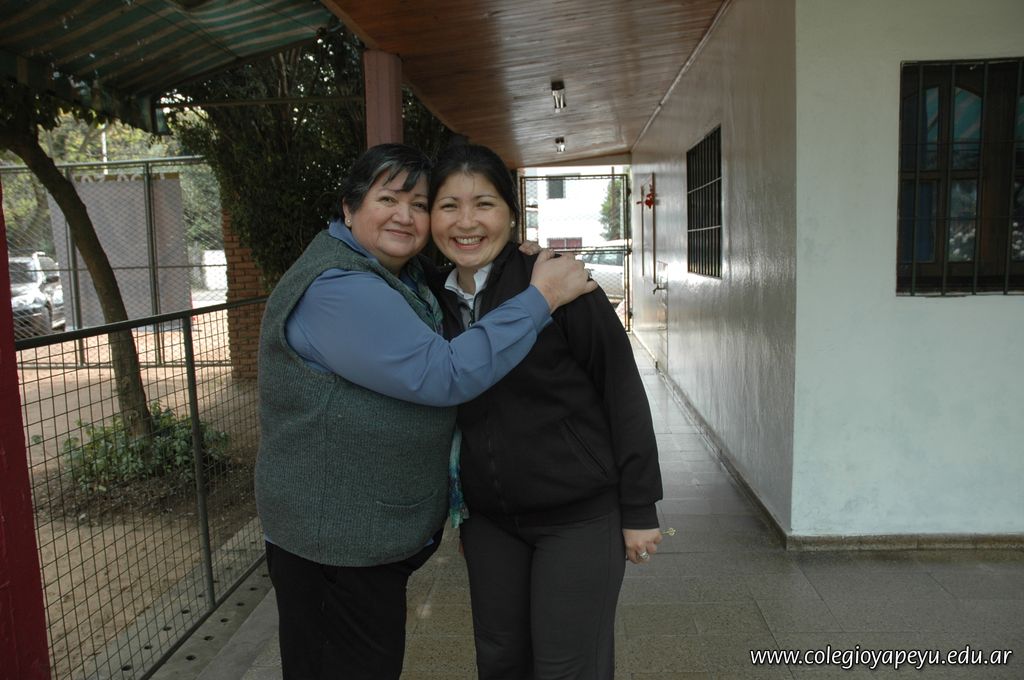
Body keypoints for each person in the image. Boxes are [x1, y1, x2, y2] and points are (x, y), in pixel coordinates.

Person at [254, 143, 595, 680]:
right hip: (331, 548)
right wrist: (541, 296)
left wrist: (513, 258)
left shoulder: (404, 276)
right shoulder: (338, 289)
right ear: (349, 208)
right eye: (387, 199)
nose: (404, 216)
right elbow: (445, 373)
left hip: (360, 543)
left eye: (419, 204)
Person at [428, 143, 664, 680]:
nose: (467, 222)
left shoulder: (560, 285)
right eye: (449, 206)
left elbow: (622, 390)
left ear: (512, 214)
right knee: (500, 660)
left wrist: (639, 507)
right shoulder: (429, 299)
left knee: (567, 667)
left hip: (578, 516)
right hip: (490, 522)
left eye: (484, 204)